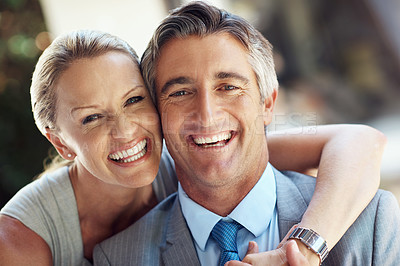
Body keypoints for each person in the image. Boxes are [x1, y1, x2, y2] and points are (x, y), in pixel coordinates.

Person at [0, 30, 385, 265]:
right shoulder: (20, 238)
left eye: (134, 101)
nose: (125, 132)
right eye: (91, 118)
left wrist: (301, 251)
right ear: (60, 142)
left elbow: (359, 141)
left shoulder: (186, 154)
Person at [93, 2, 400, 266]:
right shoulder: (118, 256)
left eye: (228, 87)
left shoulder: (370, 223)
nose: (207, 114)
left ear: (267, 103)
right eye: (181, 92)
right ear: (158, 114)